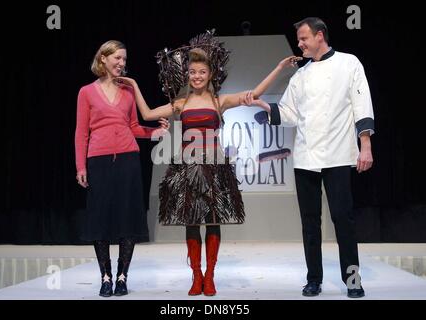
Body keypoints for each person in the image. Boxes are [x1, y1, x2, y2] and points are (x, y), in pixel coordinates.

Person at [116, 31, 299, 296]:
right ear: (187, 74)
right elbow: (146, 114)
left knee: (213, 222)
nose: (197, 76)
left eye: (201, 72)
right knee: (191, 222)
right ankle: (196, 276)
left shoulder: (219, 101)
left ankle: (210, 276)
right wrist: (133, 85)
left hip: (215, 169)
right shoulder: (180, 103)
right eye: (192, 72)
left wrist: (280, 67)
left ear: (210, 74)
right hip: (188, 170)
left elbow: (256, 92)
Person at [244, 17, 374, 298]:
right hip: (305, 157)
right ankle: (313, 279)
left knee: (343, 219)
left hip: (338, 154)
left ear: (320, 36)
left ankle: (352, 280)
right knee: (309, 222)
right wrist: (264, 105)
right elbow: (290, 114)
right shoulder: (301, 75)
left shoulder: (349, 63)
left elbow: (362, 104)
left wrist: (366, 146)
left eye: (303, 38)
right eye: (299, 39)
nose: (299, 44)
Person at [74, 40, 169, 297]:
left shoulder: (128, 93)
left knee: (128, 218)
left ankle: (122, 276)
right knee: (100, 220)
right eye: (117, 58)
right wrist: (80, 166)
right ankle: (105, 277)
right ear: (103, 58)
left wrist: (155, 132)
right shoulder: (86, 92)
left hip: (128, 160)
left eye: (124, 59)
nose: (122, 63)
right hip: (98, 161)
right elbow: (81, 132)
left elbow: (134, 127)